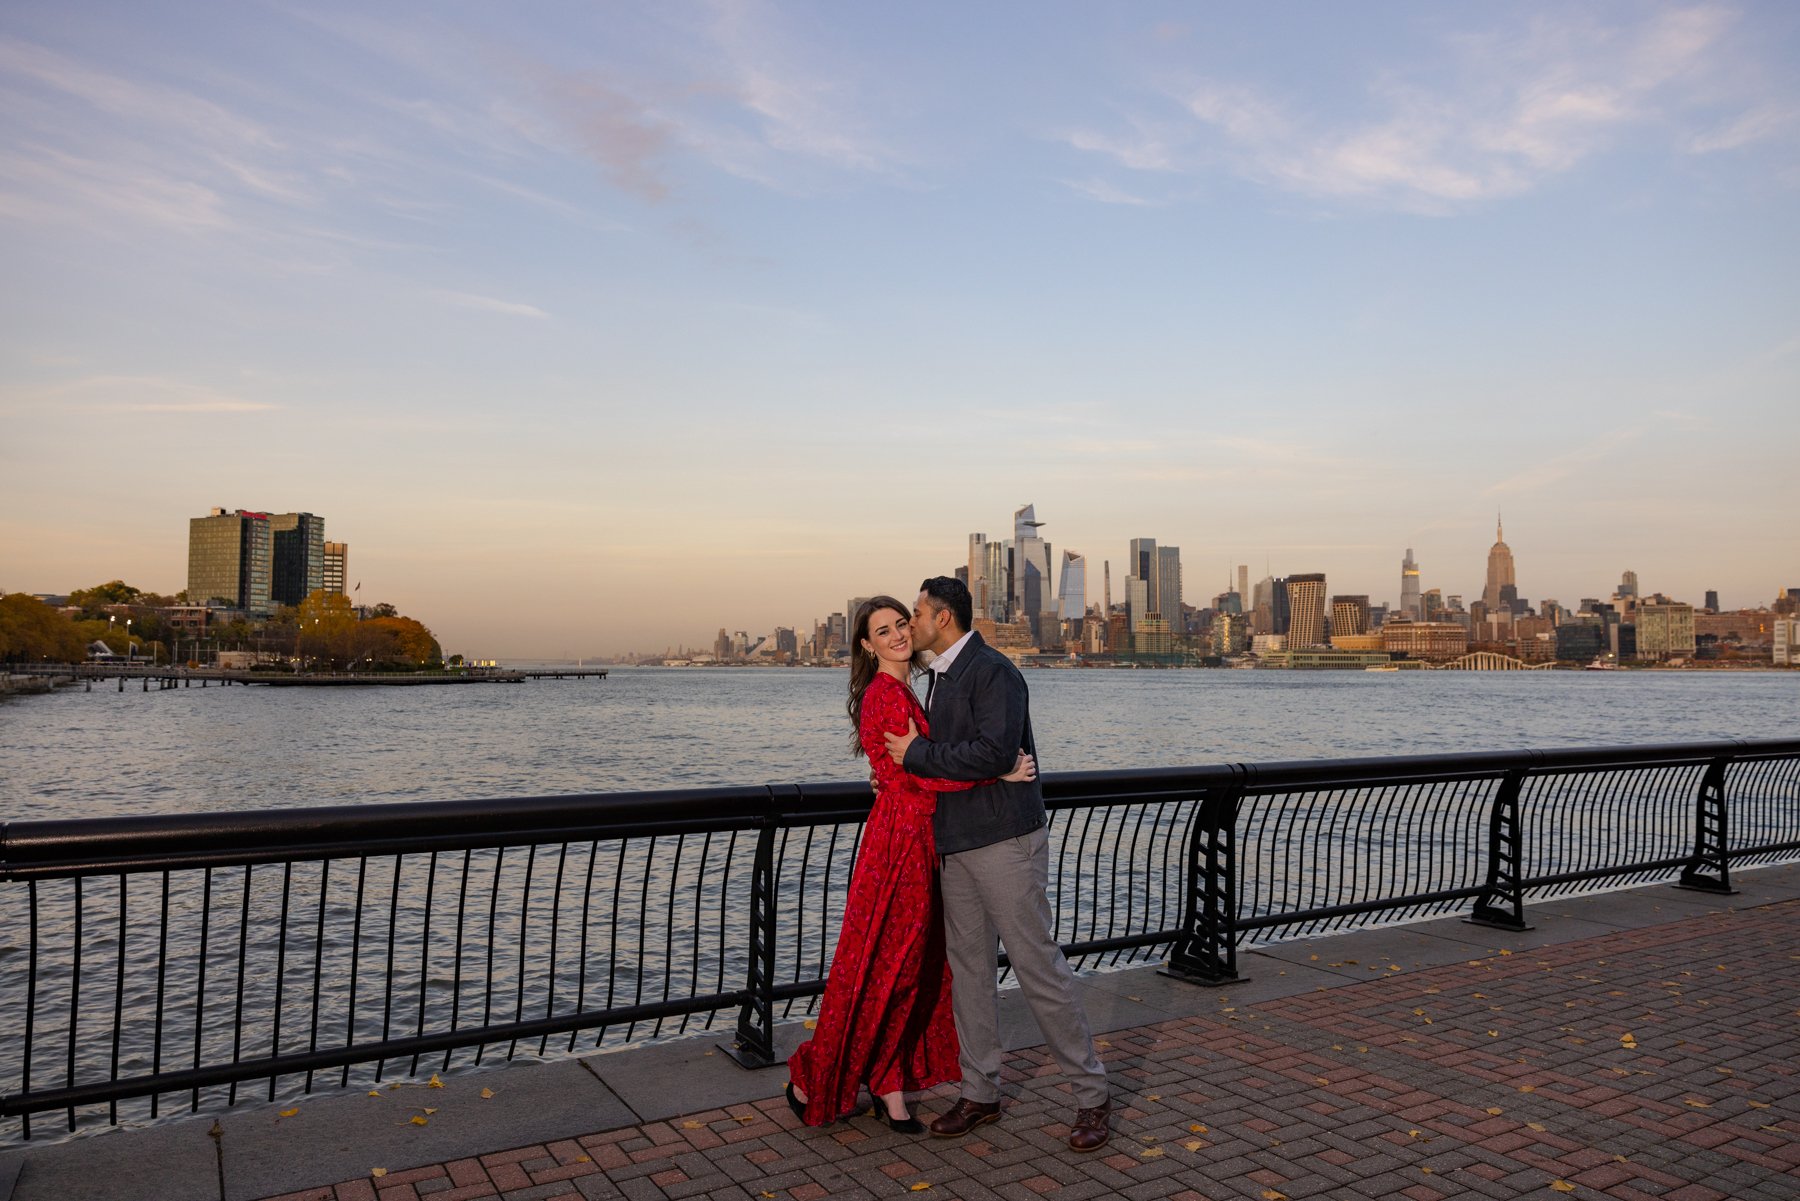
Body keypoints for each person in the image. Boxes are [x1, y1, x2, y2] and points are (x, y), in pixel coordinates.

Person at [785, 596, 1036, 1132]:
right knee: (880, 967)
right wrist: (999, 773)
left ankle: (890, 1083)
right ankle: (815, 1073)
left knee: (908, 971)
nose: (899, 634)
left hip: (920, 840)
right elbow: (915, 775)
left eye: (902, 623)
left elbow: (916, 763)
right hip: (898, 847)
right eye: (884, 630)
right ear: (867, 645)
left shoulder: (909, 689)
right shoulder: (885, 695)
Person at [883, 575, 1112, 1152]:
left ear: (943, 619)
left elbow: (994, 751)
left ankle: (1091, 1096)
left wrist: (916, 754)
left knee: (1037, 966)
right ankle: (980, 1091)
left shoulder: (994, 672)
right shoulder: (932, 677)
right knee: (970, 974)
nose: (910, 625)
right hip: (956, 844)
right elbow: (960, 761)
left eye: (916, 614)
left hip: (1006, 841)